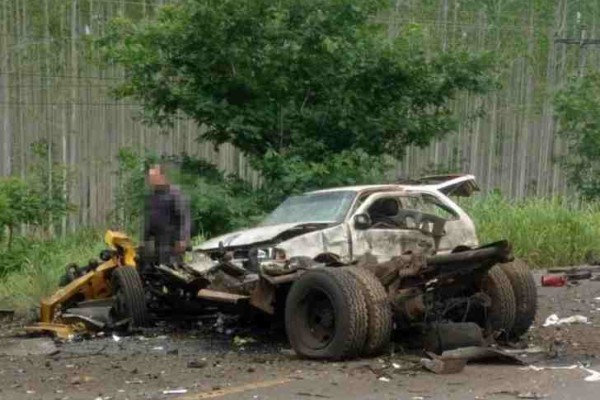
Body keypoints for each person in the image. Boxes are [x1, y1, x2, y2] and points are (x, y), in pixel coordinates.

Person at [141, 164, 191, 266]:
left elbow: (184, 217)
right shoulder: (152, 197)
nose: (151, 180)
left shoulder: (175, 193)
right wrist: (145, 241)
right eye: (150, 177)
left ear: (162, 177)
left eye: (154, 177)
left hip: (173, 243)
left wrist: (182, 239)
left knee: (172, 272)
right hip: (158, 243)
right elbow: (149, 221)